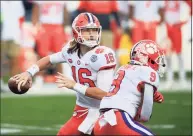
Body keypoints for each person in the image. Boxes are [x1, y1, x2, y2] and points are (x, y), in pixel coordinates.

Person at [13, 12, 117, 135]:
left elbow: (104, 94)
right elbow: (49, 60)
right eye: (87, 30)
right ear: (76, 32)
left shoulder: (103, 55)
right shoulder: (71, 50)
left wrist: (74, 86)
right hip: (82, 109)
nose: (91, 34)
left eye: (94, 30)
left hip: (104, 111)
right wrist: (29, 72)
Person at [93, 40, 166, 135]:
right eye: (157, 59)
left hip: (100, 123)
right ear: (147, 57)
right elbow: (145, 115)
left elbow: (128, 87)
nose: (158, 63)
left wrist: (153, 93)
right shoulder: (149, 72)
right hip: (119, 120)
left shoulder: (123, 68)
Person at [31, 1, 70, 82]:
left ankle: (61, 80)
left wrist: (66, 27)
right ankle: (39, 79)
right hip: (44, 26)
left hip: (58, 26)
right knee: (42, 54)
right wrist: (34, 26)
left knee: (60, 55)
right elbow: (35, 10)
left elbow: (65, 13)